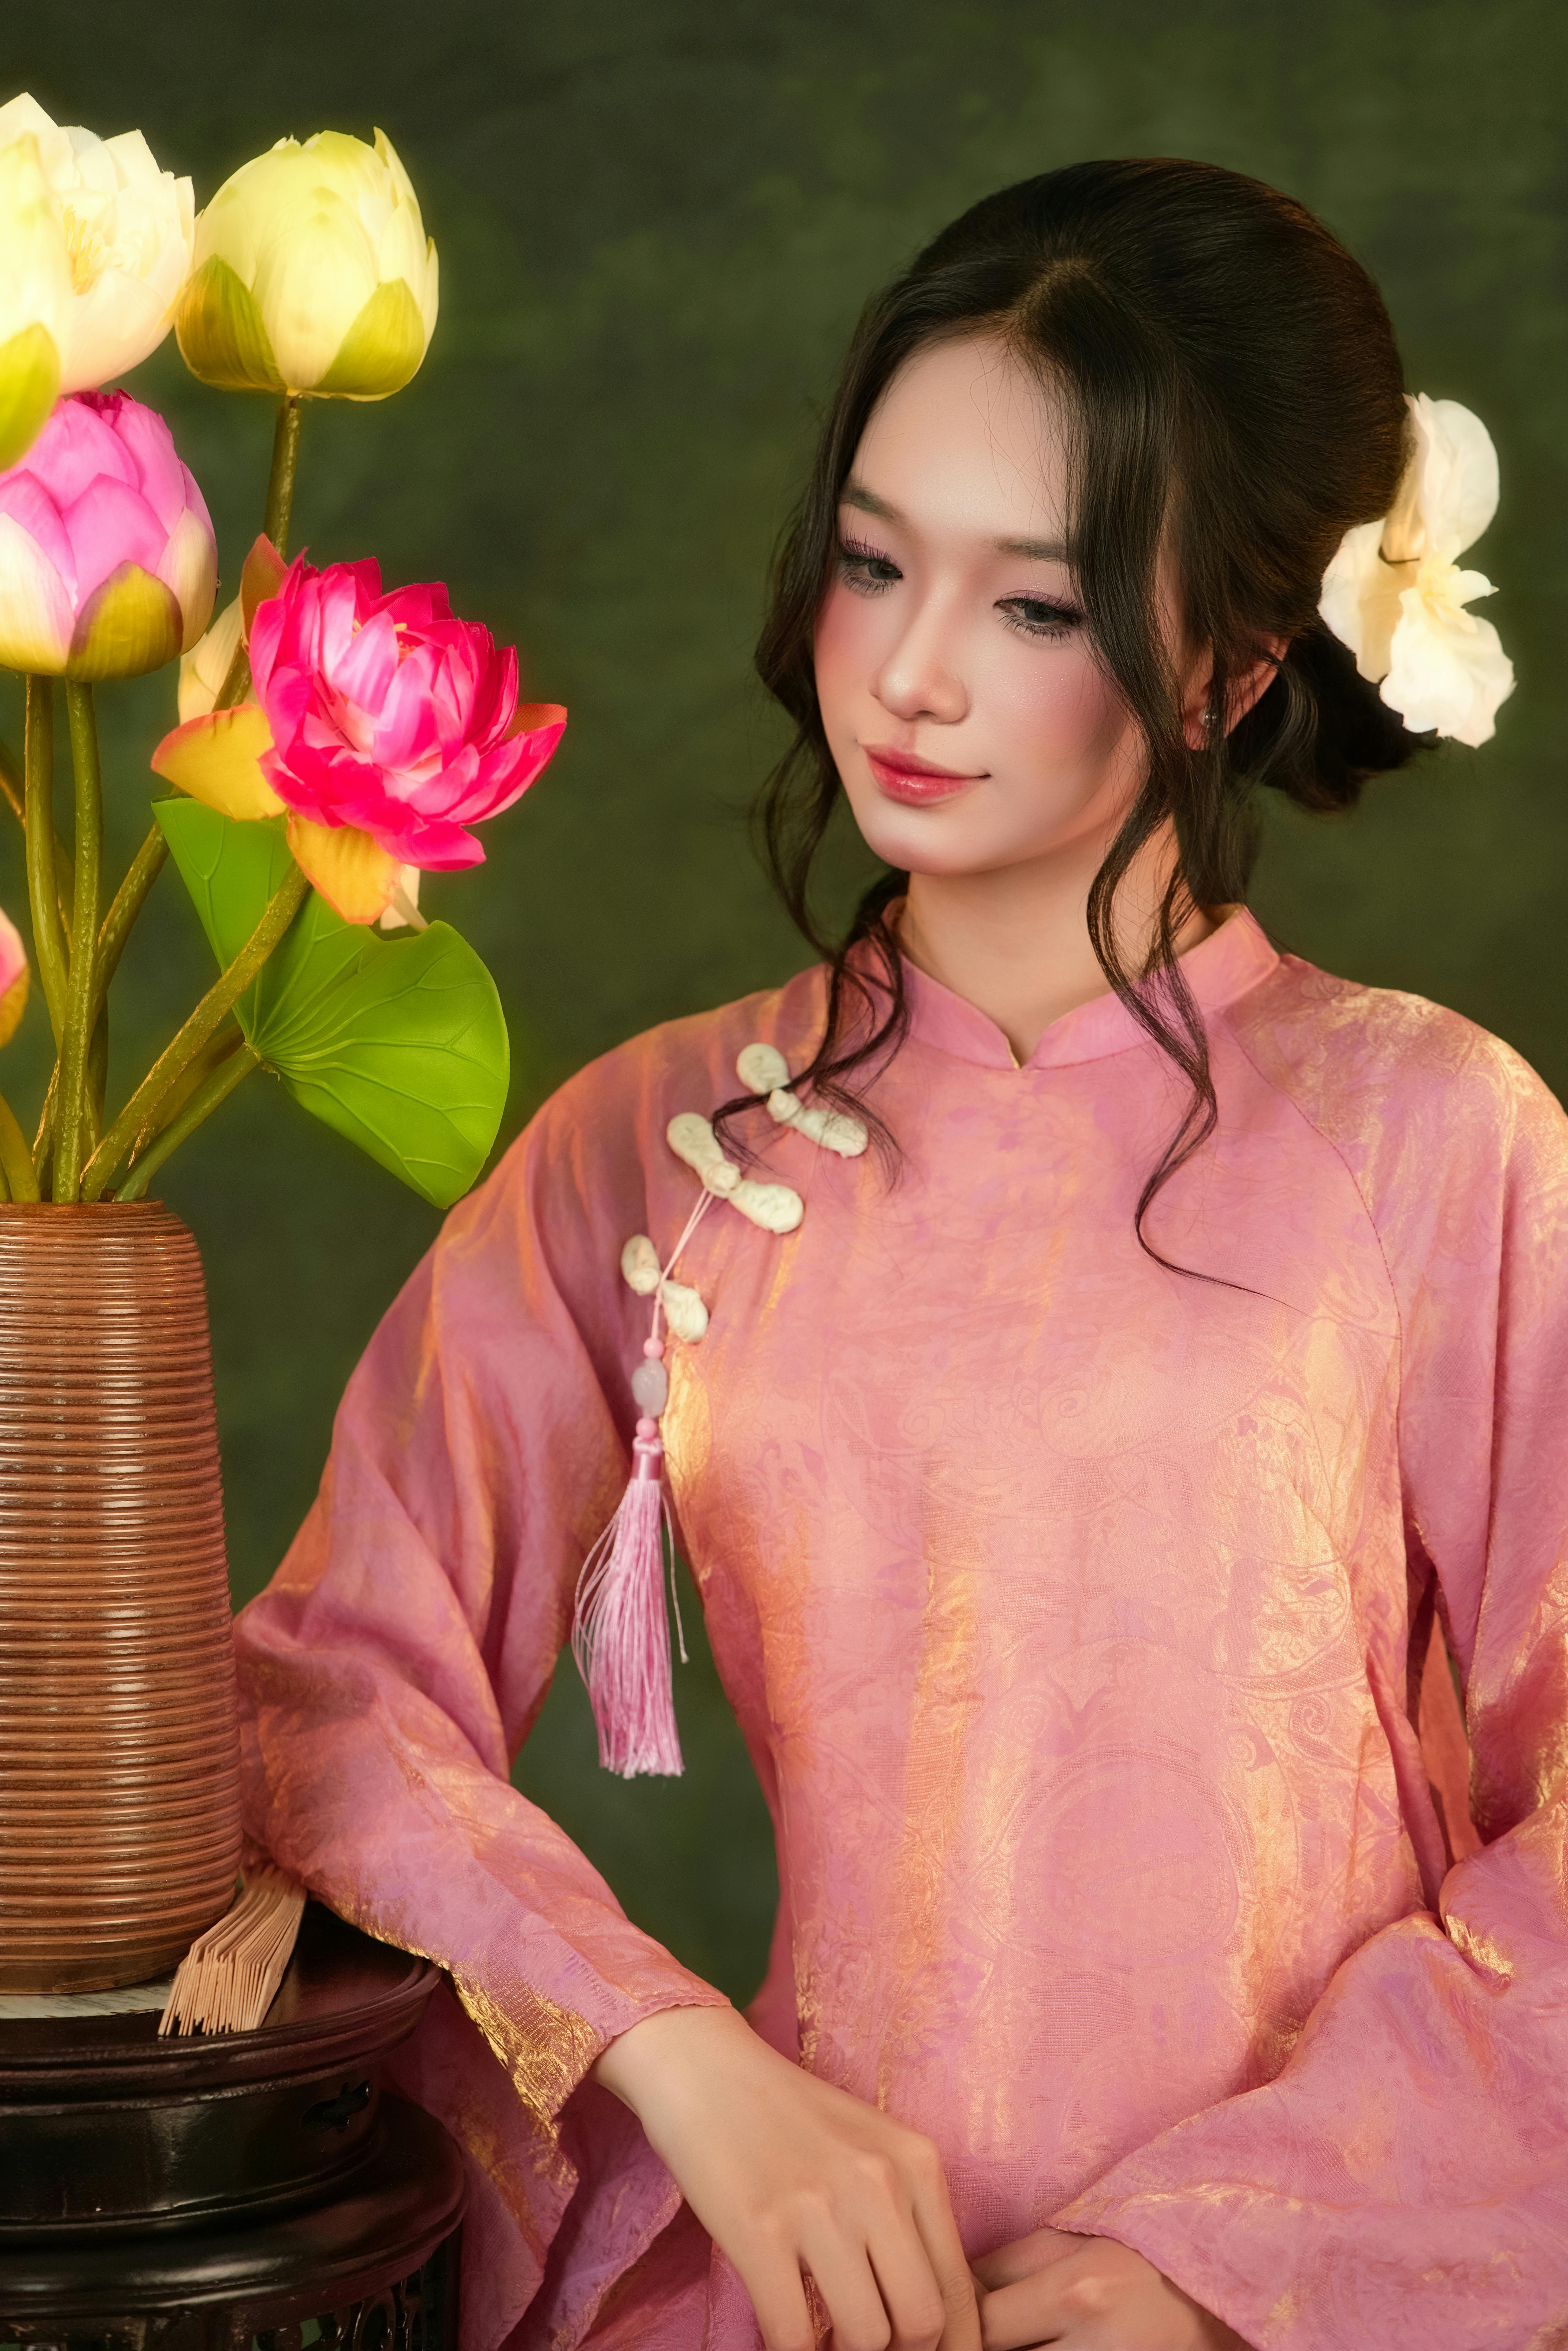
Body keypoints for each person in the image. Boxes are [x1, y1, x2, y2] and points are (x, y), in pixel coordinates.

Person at [233, 158, 1565, 2351]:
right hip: (819, 2300)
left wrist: (1230, 2256)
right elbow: (315, 1696)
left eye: (1034, 607)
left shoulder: (1427, 1140)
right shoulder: (652, 1156)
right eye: (871, 563)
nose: (912, 677)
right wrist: (675, 2050)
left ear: (1232, 661)